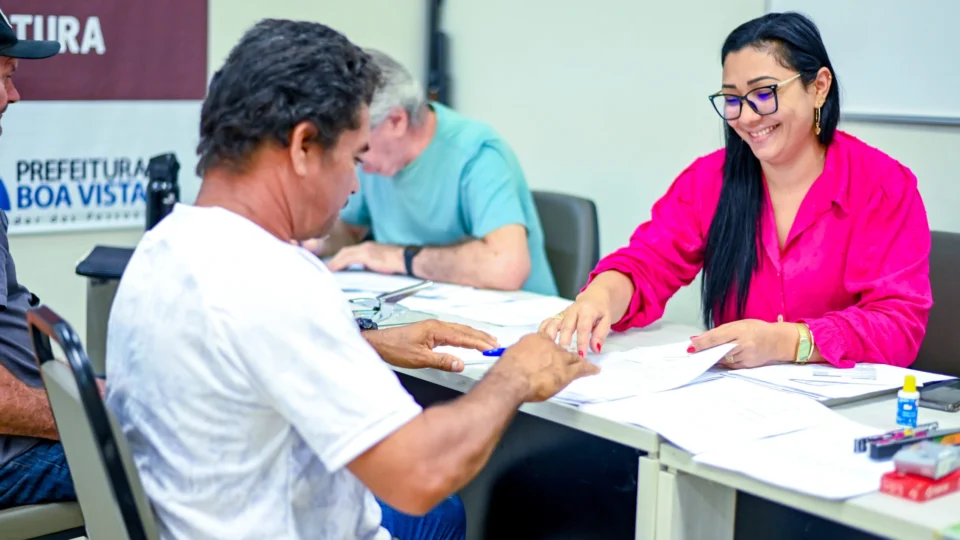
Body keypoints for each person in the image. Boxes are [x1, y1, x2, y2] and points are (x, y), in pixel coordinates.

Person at [104, 19, 597, 540]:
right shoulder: (278, 280)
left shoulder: (163, 247)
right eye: (353, 157)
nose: (356, 184)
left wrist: (363, 342)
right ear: (303, 146)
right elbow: (420, 474)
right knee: (441, 509)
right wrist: (514, 376)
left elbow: (239, 354)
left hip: (195, 517)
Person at [541, 12, 932, 368]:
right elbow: (649, 262)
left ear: (818, 87)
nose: (746, 116)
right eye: (732, 99)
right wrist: (599, 297)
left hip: (848, 408)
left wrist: (785, 341)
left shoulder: (881, 185)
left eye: (764, 94)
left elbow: (898, 324)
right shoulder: (708, 179)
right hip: (738, 400)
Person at [302, 49, 559, 297]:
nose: (354, 157)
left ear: (396, 121)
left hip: (517, 315)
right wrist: (311, 239)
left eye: (360, 142)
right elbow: (350, 231)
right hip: (418, 305)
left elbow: (506, 266)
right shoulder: (375, 159)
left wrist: (398, 257)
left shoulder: (477, 152)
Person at [0, 18, 80, 509]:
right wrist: (82, 418)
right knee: (188, 449)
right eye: (5, 76)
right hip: (13, 458)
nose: (14, 96)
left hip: (24, 435)